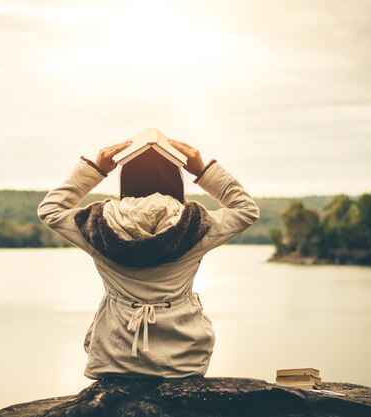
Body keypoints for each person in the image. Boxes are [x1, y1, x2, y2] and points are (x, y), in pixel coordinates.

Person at [37, 138, 259, 379]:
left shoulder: (97, 225)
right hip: (184, 359)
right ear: (176, 182)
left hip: (115, 358)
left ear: (126, 183)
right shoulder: (196, 225)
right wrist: (203, 170)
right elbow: (246, 210)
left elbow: (50, 209)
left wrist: (95, 170)